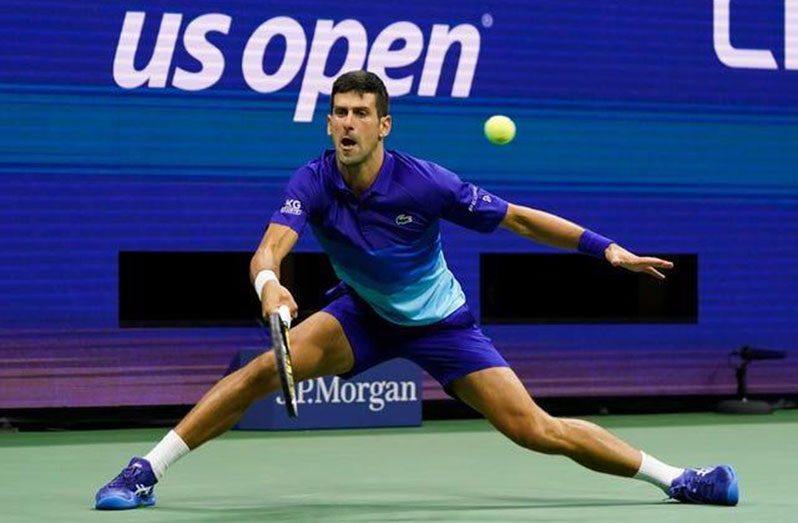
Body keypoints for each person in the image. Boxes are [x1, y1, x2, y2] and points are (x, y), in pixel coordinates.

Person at [94, 70, 738, 510]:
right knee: (262, 373)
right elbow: (271, 247)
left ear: (384, 126)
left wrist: (608, 250)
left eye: (360, 115)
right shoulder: (312, 181)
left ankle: (682, 480)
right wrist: (270, 287)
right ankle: (145, 470)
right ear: (328, 125)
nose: (348, 124)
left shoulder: (426, 183)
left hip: (443, 325)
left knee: (534, 429)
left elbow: (516, 217)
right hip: (363, 315)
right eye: (338, 114)